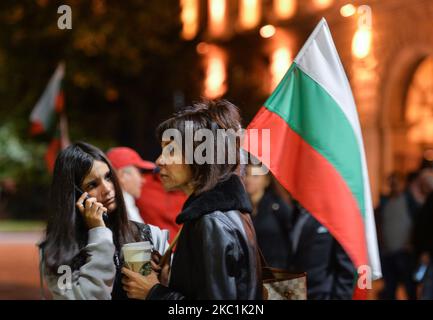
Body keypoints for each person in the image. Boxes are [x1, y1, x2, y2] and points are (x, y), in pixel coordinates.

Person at [121, 100, 262, 300]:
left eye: (171, 151)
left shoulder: (212, 221)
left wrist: (153, 293)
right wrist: (171, 276)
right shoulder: (222, 212)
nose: (160, 161)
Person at [39, 142, 163, 300]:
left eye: (108, 177)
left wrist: (163, 278)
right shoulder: (58, 252)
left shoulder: (149, 234)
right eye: (93, 184)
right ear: (74, 196)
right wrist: (99, 234)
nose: (107, 188)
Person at [106, 147, 170, 253]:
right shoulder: (119, 205)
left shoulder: (127, 201)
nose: (143, 180)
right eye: (139, 173)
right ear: (123, 175)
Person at [288, 202, 355, 300]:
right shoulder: (297, 212)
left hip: (323, 294)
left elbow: (347, 268)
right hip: (296, 291)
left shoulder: (335, 215)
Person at [244, 163, 292, 269]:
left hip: (277, 271)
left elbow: (292, 236)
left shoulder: (278, 206)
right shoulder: (242, 208)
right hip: (253, 271)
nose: (249, 179)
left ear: (266, 180)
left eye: (255, 176)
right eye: (247, 174)